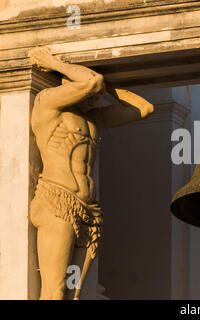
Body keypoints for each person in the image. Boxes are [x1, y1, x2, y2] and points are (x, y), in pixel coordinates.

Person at [28, 46, 154, 299]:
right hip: (57, 201)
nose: (96, 93)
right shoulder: (48, 104)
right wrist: (55, 63)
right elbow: (91, 81)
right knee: (55, 290)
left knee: (75, 294)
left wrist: (108, 87)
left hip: (89, 209)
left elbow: (145, 108)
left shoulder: (93, 120)